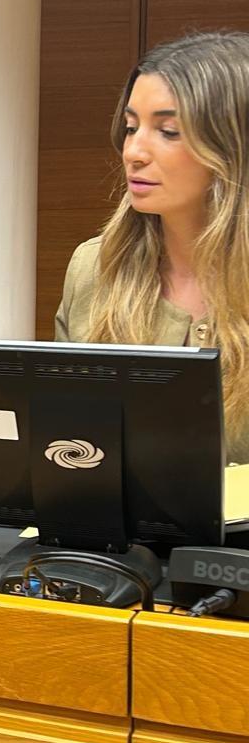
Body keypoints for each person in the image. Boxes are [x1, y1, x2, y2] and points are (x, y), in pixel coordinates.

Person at [55, 29, 249, 463]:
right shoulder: (95, 266)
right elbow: (67, 436)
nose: (134, 152)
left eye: (168, 131)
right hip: (113, 528)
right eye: (130, 127)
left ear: (233, 146)